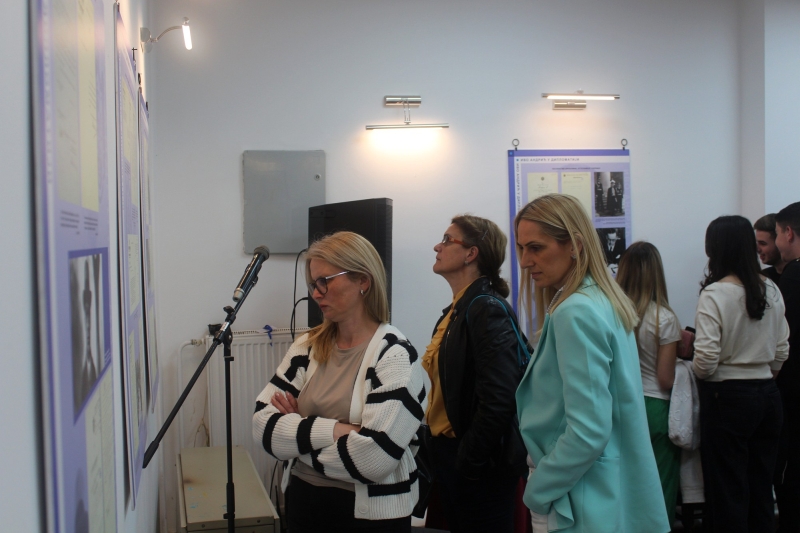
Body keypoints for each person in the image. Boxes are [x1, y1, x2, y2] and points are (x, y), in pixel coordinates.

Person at [252, 231, 428, 533]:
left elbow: (374, 460)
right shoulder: (307, 346)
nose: (316, 293)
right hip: (303, 503)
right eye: (313, 284)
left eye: (325, 281)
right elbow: (262, 427)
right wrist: (340, 430)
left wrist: (295, 439)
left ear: (363, 281)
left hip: (370, 519)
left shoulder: (395, 355)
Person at [514, 193, 669, 533]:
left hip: (578, 495)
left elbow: (588, 431)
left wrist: (538, 491)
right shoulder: (599, 299)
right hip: (600, 488)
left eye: (536, 248)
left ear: (575, 245)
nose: (525, 261)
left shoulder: (576, 311)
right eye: (522, 248)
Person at [422, 215, 527, 533]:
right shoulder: (458, 310)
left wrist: (468, 461)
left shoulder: (485, 308)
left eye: (447, 239)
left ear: (471, 253)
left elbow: (500, 398)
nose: (437, 246)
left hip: (477, 465)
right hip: (450, 455)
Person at [693, 215, 789, 533]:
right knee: (762, 486)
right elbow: (782, 349)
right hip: (767, 395)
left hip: (726, 396)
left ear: (714, 249)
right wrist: (764, 374)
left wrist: (698, 372)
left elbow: (706, 360)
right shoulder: (771, 288)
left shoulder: (715, 293)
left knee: (727, 489)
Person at [616, 242, 682, 525]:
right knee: (660, 486)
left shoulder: (613, 315)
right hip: (656, 408)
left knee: (626, 484)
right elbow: (665, 380)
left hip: (622, 406)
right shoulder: (664, 318)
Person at [774, 201, 800, 532]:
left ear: (789, 233)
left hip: (793, 388)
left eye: (778, 234)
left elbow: (780, 334)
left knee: (789, 469)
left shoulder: (792, 276)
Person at [754, 213, 787, 285]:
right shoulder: (764, 277)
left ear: (779, 241)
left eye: (763, 243)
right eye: (757, 243)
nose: (758, 249)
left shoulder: (795, 276)